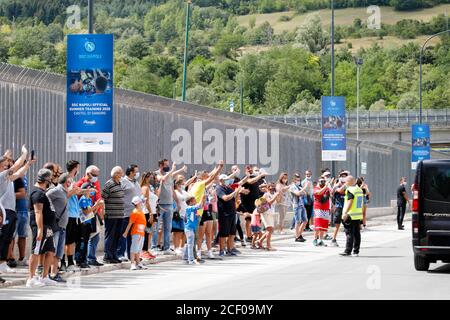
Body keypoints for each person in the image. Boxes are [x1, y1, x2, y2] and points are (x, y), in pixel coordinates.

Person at [0, 146, 34, 282]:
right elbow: (16, 166)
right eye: (4, 165)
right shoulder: (1, 175)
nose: (8, 166)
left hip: (9, 211)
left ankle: (2, 264)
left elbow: (19, 173)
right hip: (3, 211)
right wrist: (24, 154)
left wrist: (28, 164)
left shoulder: (7, 178)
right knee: (2, 239)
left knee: (6, 239)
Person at [26, 169, 57, 288]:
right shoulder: (37, 193)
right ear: (46, 180)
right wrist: (39, 229)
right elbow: (38, 212)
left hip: (47, 227)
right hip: (41, 226)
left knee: (50, 251)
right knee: (36, 251)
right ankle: (31, 278)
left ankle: (44, 277)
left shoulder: (42, 192)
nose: (52, 181)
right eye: (50, 179)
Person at [191, 162, 224, 260]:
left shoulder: (203, 184)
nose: (208, 175)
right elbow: (212, 177)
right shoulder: (199, 183)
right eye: (206, 174)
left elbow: (212, 176)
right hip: (198, 211)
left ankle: (209, 252)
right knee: (200, 234)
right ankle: (198, 252)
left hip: (205, 209)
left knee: (209, 232)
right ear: (202, 176)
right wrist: (219, 167)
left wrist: (216, 169)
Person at [152, 159, 184, 255]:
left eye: (168, 165)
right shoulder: (155, 173)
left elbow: (172, 189)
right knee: (156, 227)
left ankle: (166, 247)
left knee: (168, 227)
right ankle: (154, 247)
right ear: (161, 165)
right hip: (160, 204)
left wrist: (177, 202)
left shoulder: (169, 175)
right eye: (166, 165)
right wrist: (172, 170)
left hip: (169, 204)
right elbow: (161, 179)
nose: (168, 166)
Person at [75, 165, 104, 267]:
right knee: (82, 240)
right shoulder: (80, 185)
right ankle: (81, 259)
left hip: (92, 215)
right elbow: (83, 208)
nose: (96, 177)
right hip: (83, 218)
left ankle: (89, 258)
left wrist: (99, 209)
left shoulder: (94, 183)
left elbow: (97, 198)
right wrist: (95, 206)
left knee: (92, 237)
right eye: (94, 175)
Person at [46, 173, 72, 283]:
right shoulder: (56, 190)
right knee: (53, 250)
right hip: (56, 226)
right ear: (65, 182)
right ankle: (46, 274)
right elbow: (45, 196)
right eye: (69, 181)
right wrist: (52, 211)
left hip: (62, 226)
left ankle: (54, 273)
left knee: (59, 252)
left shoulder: (65, 192)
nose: (70, 183)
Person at [118, 164, 142, 261]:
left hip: (136, 213)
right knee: (124, 234)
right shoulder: (123, 181)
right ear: (131, 172)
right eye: (136, 171)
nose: (137, 173)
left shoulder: (136, 182)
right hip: (126, 212)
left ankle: (130, 255)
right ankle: (120, 253)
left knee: (133, 236)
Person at [102, 166, 125, 264]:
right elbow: (103, 198)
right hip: (111, 215)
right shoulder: (109, 184)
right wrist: (103, 212)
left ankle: (114, 255)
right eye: (121, 173)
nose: (122, 174)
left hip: (119, 215)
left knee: (116, 236)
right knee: (110, 236)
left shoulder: (119, 183)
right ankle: (107, 256)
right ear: (116, 174)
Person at [216, 174, 243, 257]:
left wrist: (238, 191)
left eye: (227, 179)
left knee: (232, 233)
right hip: (224, 214)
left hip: (232, 213)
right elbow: (225, 198)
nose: (227, 181)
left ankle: (230, 249)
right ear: (221, 180)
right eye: (225, 179)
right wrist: (235, 191)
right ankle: (221, 250)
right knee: (223, 234)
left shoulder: (228, 188)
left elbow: (235, 195)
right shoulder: (219, 188)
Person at [340, 176, 365, 257]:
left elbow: (350, 202)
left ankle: (348, 251)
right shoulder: (359, 190)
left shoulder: (350, 190)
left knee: (349, 234)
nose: (345, 183)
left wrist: (345, 213)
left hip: (350, 215)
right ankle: (356, 251)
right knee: (357, 234)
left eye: (346, 182)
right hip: (357, 215)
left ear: (349, 182)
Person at [123, 196, 148, 270]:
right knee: (134, 249)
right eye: (141, 202)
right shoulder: (135, 212)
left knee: (138, 249)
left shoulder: (141, 212)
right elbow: (130, 223)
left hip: (141, 233)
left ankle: (138, 263)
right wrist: (126, 232)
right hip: (136, 233)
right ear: (138, 203)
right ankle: (132, 264)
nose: (143, 203)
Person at [183, 195, 205, 265]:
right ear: (190, 202)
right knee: (190, 245)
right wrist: (202, 198)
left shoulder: (193, 209)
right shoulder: (189, 208)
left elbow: (200, 209)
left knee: (191, 244)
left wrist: (203, 201)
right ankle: (190, 260)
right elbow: (199, 206)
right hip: (189, 228)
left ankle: (189, 257)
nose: (196, 201)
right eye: (194, 200)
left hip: (191, 228)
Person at [140, 172, 157, 260]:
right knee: (146, 232)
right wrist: (150, 213)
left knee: (150, 232)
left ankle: (147, 249)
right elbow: (146, 202)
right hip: (147, 212)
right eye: (149, 177)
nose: (151, 179)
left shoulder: (150, 188)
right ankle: (143, 251)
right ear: (145, 178)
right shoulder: (145, 188)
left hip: (153, 212)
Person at [313, 176, 334, 247]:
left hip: (326, 209)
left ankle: (320, 240)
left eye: (324, 181)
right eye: (321, 181)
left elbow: (331, 195)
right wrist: (326, 186)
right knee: (318, 225)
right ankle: (315, 239)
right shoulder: (316, 188)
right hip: (318, 208)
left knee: (323, 226)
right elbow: (319, 193)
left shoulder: (327, 188)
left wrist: (333, 186)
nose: (322, 182)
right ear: (318, 182)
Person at [289, 173, 310, 243]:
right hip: (296, 205)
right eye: (297, 180)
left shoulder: (299, 187)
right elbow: (297, 193)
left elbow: (305, 193)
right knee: (298, 221)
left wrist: (304, 189)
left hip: (302, 205)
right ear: (294, 181)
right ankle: (297, 236)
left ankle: (299, 235)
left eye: (299, 180)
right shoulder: (292, 187)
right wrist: (304, 188)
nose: (298, 181)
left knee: (305, 220)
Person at [259, 183, 280, 251]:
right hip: (266, 213)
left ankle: (259, 241)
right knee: (269, 229)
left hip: (271, 213)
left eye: (274, 186)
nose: (272, 187)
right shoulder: (266, 194)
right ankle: (268, 246)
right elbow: (269, 202)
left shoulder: (274, 194)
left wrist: (278, 195)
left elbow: (278, 202)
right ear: (268, 187)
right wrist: (275, 196)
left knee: (271, 230)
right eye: (271, 186)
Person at [330, 172, 348, 247]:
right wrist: (336, 186)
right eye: (342, 176)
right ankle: (333, 239)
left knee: (347, 226)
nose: (343, 178)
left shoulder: (348, 186)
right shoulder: (337, 186)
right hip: (339, 207)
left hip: (347, 208)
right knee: (337, 225)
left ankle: (349, 241)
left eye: (345, 176)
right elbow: (337, 191)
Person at [173, 176, 189, 255]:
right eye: (182, 183)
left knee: (184, 232)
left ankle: (182, 247)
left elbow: (190, 198)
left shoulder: (184, 191)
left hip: (185, 213)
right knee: (177, 232)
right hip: (178, 213)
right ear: (177, 184)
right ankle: (176, 247)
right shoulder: (175, 192)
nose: (183, 184)